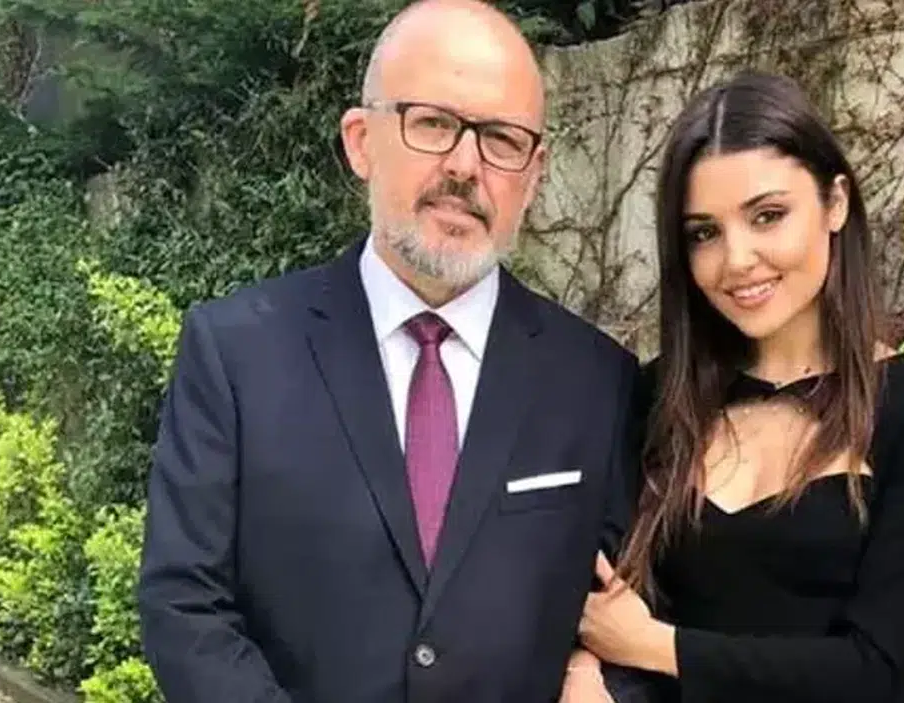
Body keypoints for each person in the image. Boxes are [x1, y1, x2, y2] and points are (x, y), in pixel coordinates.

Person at [136, 1, 643, 701]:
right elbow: (185, 604)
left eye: (501, 139)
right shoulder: (235, 353)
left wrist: (596, 676)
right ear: (360, 141)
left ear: (534, 174)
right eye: (432, 123)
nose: (464, 166)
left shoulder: (598, 382)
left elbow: (634, 612)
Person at [560, 71, 904, 702]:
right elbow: (592, 585)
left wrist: (656, 646)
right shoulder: (657, 395)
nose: (737, 260)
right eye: (704, 232)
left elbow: (871, 668)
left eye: (768, 216)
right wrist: (582, 673)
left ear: (835, 203)